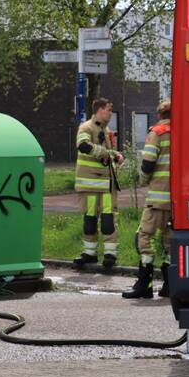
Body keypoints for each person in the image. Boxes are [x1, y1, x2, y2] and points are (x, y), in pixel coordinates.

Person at [124, 100, 172, 299]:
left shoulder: (157, 133)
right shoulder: (185, 133)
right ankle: (170, 286)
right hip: (178, 201)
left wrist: (143, 180)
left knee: (144, 238)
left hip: (157, 198)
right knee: (170, 242)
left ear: (160, 114)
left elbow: (147, 164)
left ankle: (145, 284)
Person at [73, 98, 123, 270]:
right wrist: (105, 153)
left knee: (108, 221)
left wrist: (115, 155)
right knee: (90, 220)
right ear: (100, 110)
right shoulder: (87, 127)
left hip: (106, 185)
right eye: (109, 109)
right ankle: (89, 254)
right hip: (90, 185)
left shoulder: (105, 130)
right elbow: (82, 145)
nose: (111, 113)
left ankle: (110, 255)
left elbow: (106, 153)